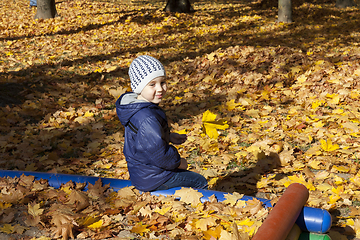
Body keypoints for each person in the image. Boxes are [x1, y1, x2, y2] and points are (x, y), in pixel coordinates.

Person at [116, 55, 208, 192]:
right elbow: (159, 155)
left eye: (162, 82)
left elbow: (143, 140)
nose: (160, 89)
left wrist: (168, 136)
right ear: (139, 87)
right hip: (154, 177)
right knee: (199, 181)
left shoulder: (137, 108)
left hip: (143, 174)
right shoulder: (147, 117)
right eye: (152, 84)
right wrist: (178, 163)